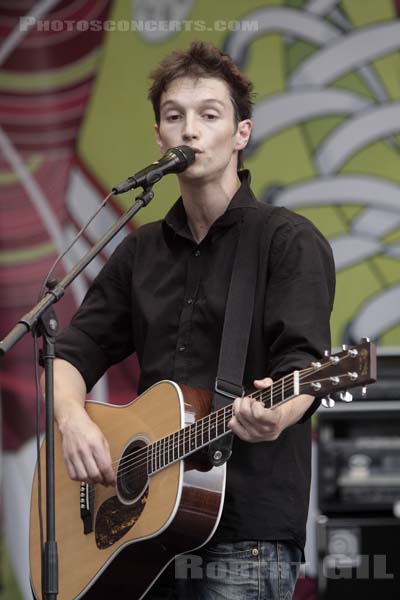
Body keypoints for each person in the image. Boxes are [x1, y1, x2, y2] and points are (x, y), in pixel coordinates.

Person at [51, 41, 335, 599]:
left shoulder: (286, 241)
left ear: (241, 133)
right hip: (138, 535)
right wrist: (72, 420)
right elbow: (71, 351)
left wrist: (280, 413)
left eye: (210, 115)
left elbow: (307, 366)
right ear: (159, 136)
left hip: (241, 534)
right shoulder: (140, 250)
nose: (190, 130)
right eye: (175, 116)